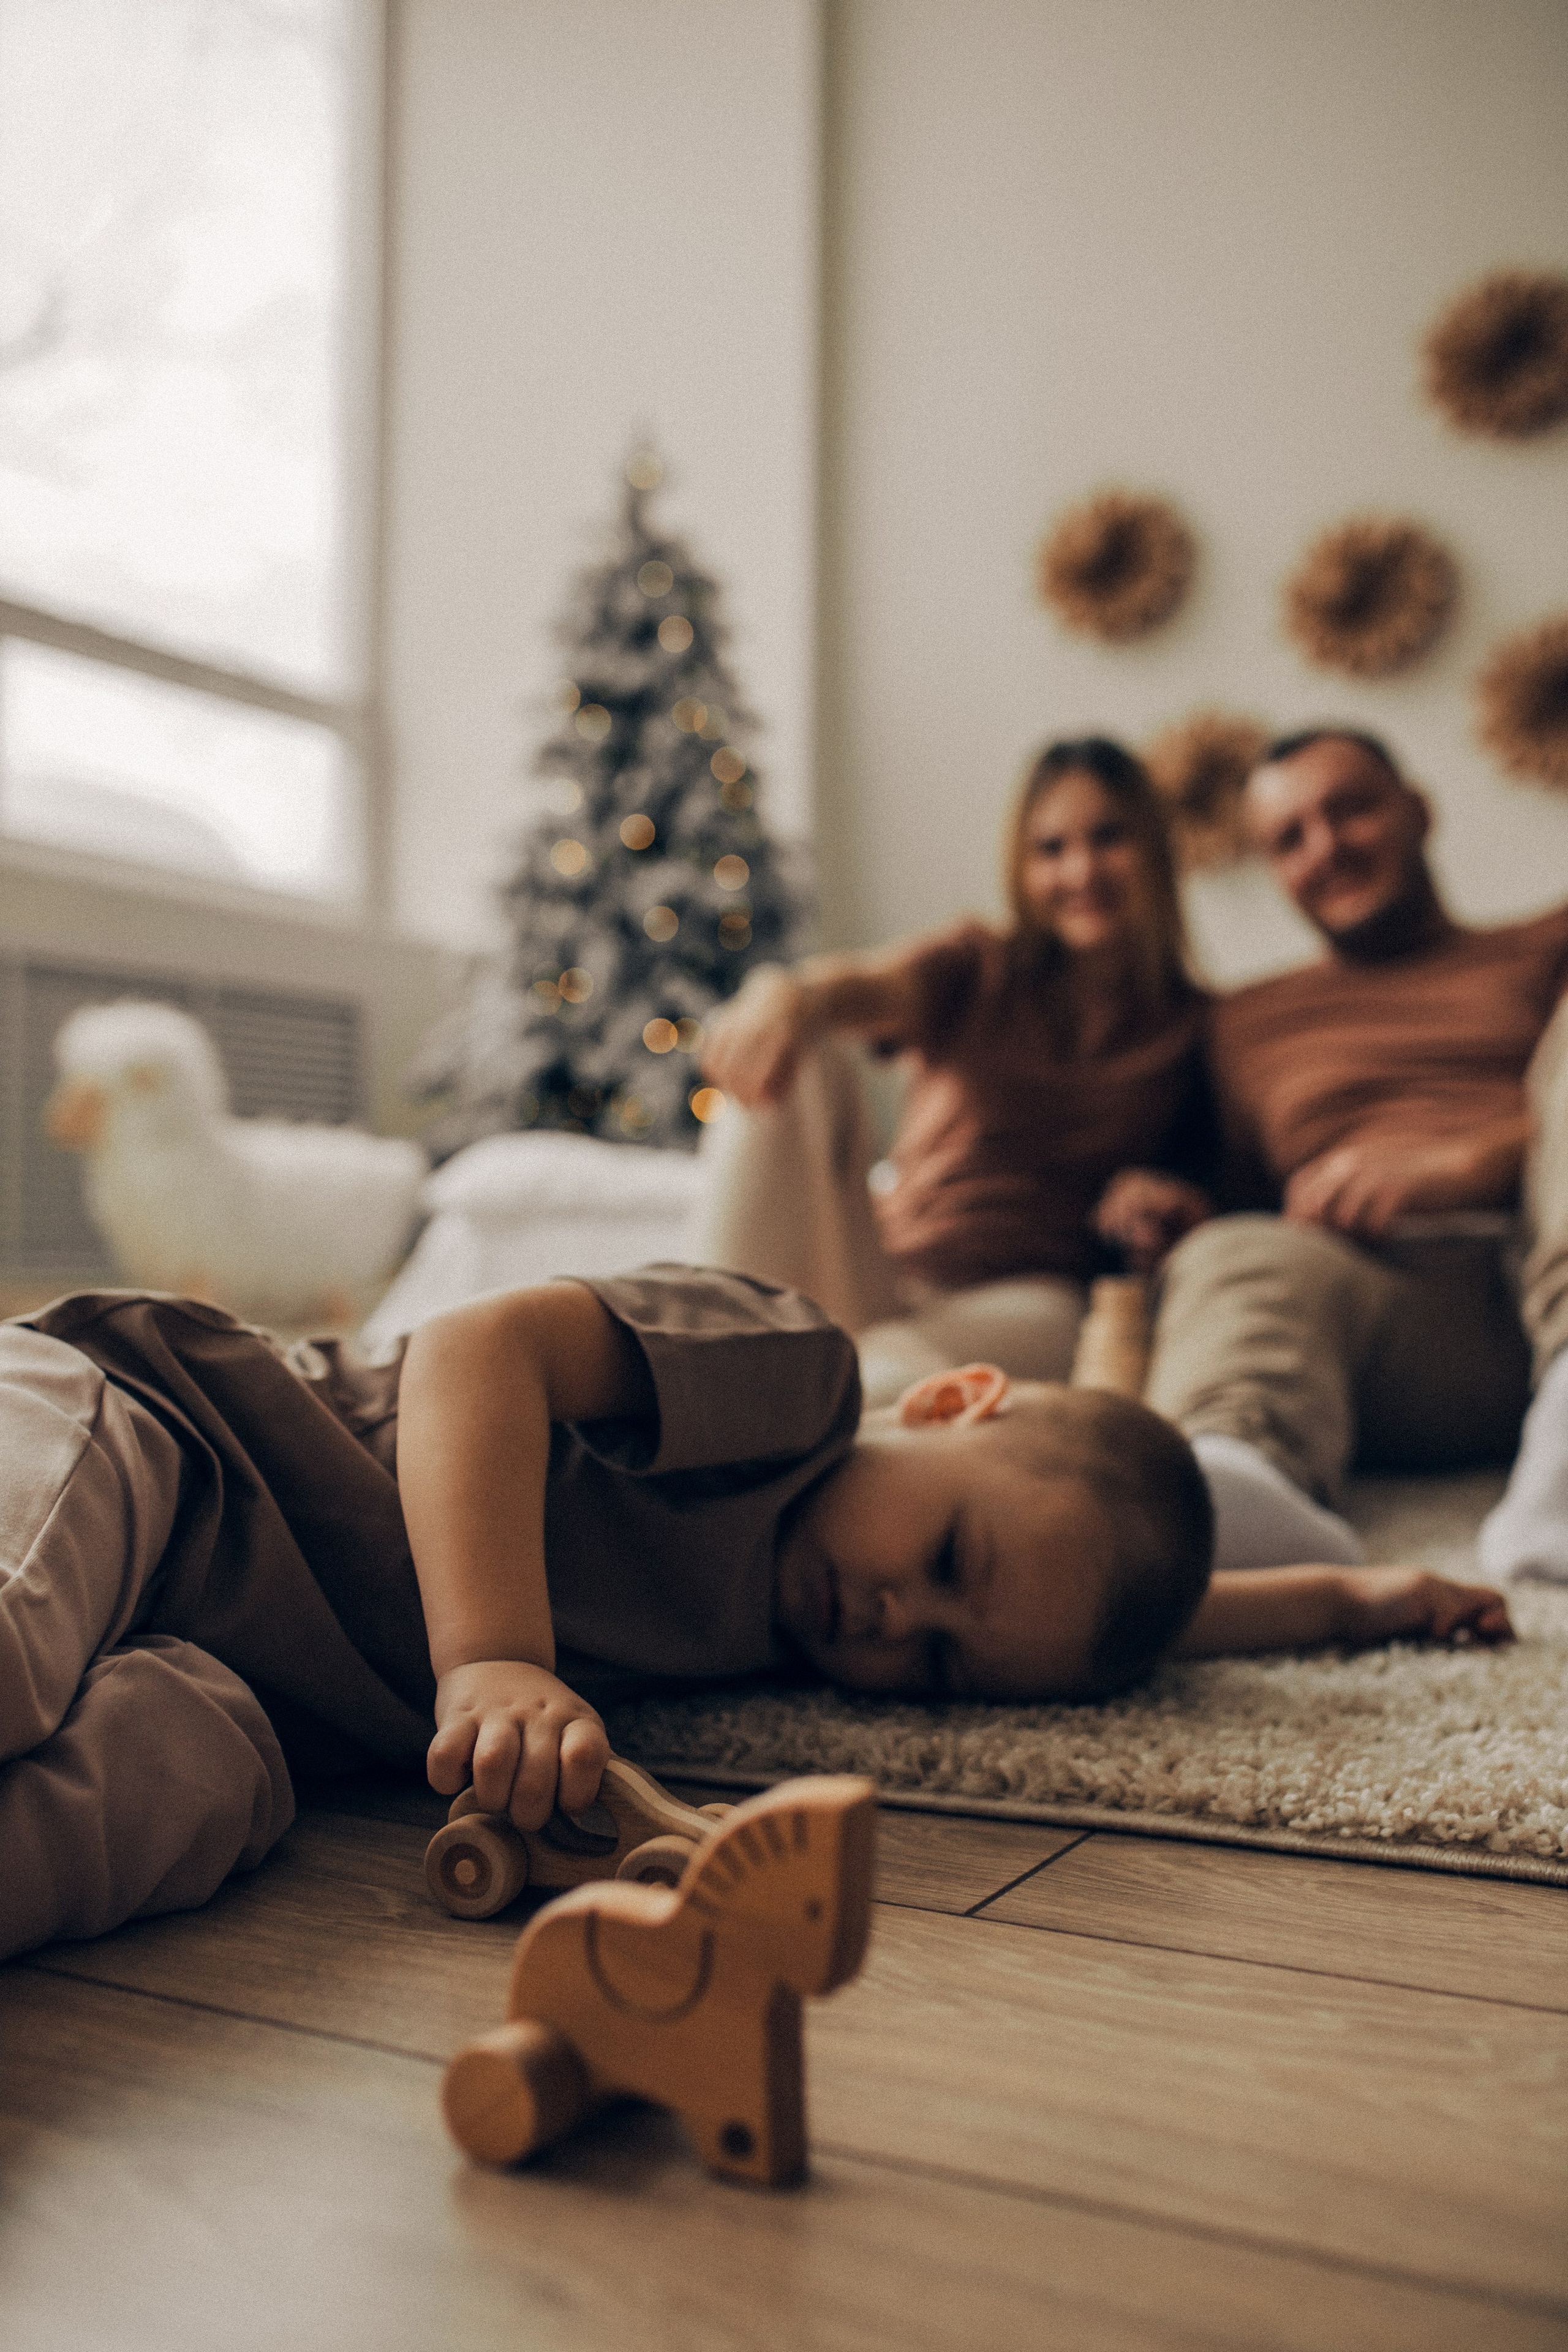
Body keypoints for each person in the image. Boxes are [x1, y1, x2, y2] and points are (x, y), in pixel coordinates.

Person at [0, 1268, 1508, 1961]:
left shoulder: (870, 1620)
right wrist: (496, 1655)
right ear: (951, 1401)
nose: (892, 1617)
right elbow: (475, 1348)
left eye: (936, 1663)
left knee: (144, 1812)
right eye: (944, 1556)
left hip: (254, 1689)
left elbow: (1102, 1624)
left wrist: (1349, 1598)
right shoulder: (789, 1379)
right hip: (164, 1441)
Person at [1142, 726, 1568, 1575]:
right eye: (1289, 839)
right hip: (1388, 1316)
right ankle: (1238, 1486)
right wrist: (1163, 1203)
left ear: (1418, 811)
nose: (1325, 848)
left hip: (1536, 1250)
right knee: (1234, 1250)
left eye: (1350, 810)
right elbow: (1235, 1199)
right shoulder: (1241, 1022)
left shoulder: (1544, 945)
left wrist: (1469, 1163)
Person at [694, 737, 1214, 1403]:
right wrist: (787, 995)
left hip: (1033, 1297)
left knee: (883, 1368)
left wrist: (1166, 1199)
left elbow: (1216, 1184)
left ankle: (796, 1395)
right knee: (805, 1053)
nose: (1081, 871)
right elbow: (872, 986)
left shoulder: (1195, 1027)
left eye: (1108, 838)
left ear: (1156, 849)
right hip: (887, 1271)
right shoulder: (980, 965)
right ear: (1021, 866)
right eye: (1051, 849)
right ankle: (699, 1355)